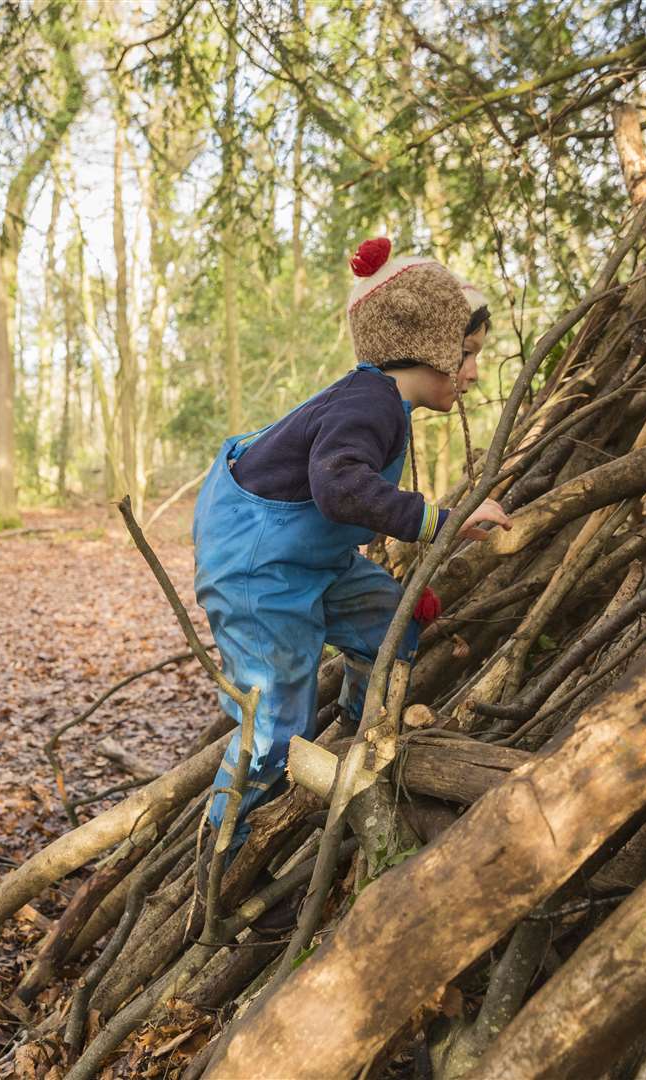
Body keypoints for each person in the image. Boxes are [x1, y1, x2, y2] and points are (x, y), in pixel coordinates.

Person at [193, 237, 510, 847]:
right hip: (258, 574)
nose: (472, 373)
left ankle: (357, 736)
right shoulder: (368, 403)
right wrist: (440, 521)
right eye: (467, 354)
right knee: (270, 729)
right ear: (430, 346)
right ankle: (224, 851)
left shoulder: (376, 404)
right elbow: (339, 487)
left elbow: (334, 501)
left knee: (391, 623)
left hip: (311, 563)